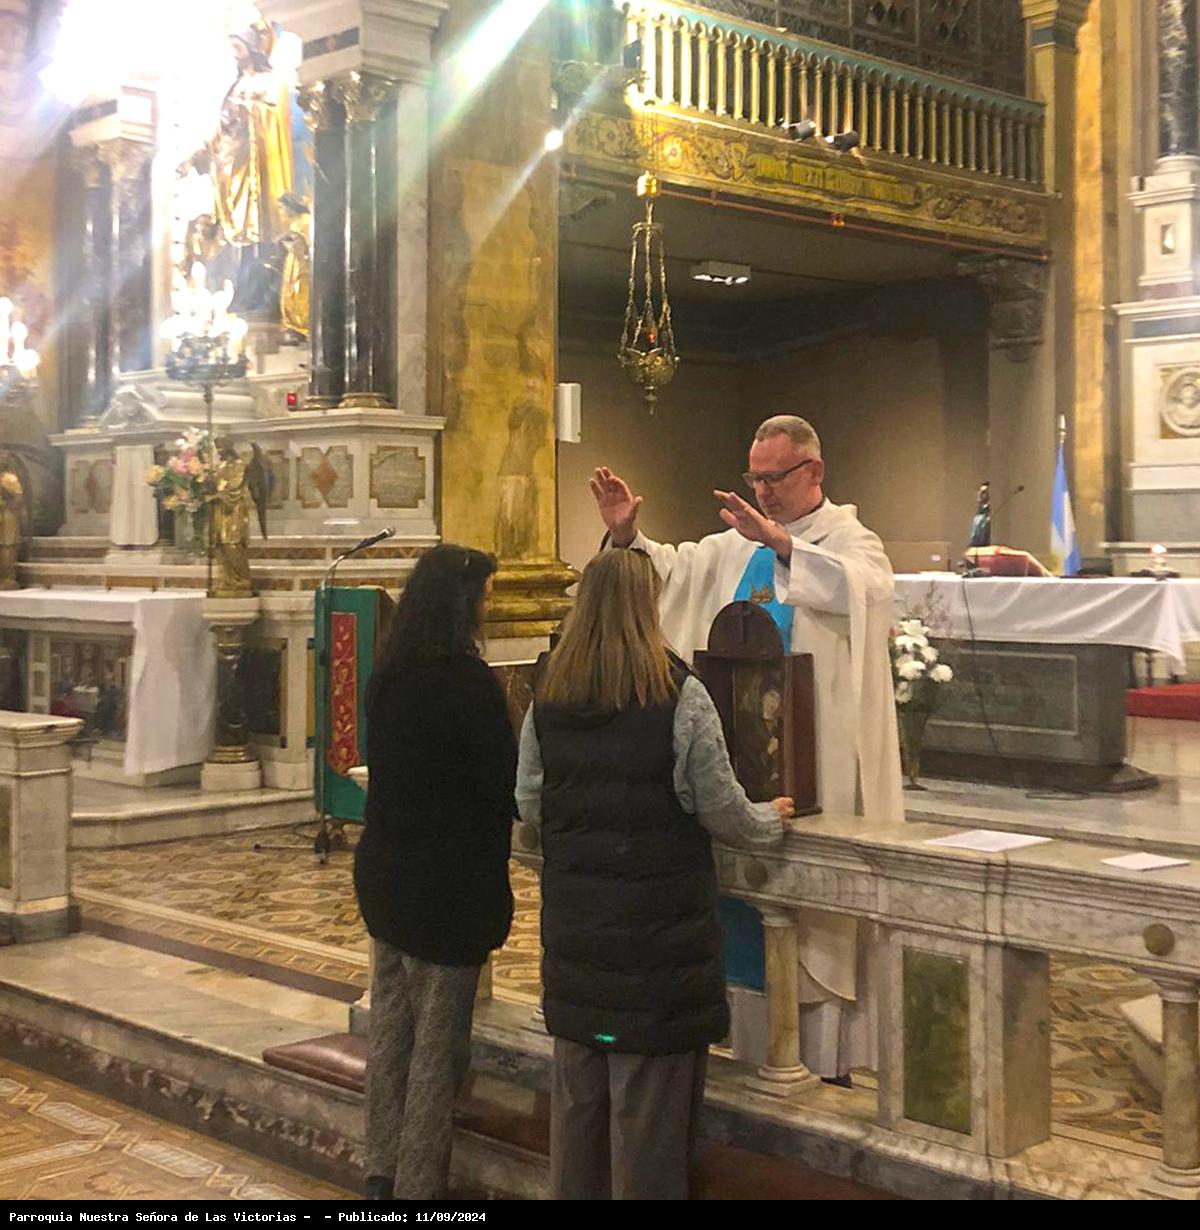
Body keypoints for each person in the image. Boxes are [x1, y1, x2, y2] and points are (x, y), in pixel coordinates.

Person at [589, 414, 903, 1084]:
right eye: (754, 478)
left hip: (814, 766)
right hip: (737, 762)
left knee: (813, 921)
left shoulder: (849, 539)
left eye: (775, 477)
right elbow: (672, 573)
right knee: (735, 913)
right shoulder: (733, 546)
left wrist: (785, 547)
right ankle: (748, 1042)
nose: (761, 491)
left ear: (814, 471)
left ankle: (821, 1058)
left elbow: (870, 591)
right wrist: (626, 536)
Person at [516, 548, 792, 1200]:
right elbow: (722, 810)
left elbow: (529, 802)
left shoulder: (548, 697)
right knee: (649, 1138)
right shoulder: (678, 695)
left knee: (579, 1122)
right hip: (657, 955)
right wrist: (769, 821)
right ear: (648, 608)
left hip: (579, 944)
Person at [354, 545, 515, 1201]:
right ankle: (418, 1191)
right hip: (447, 892)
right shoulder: (469, 685)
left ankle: (379, 1174)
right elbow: (501, 784)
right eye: (483, 598)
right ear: (462, 604)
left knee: (390, 1035)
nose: (486, 609)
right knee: (435, 1055)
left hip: (387, 878)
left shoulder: (389, 676)